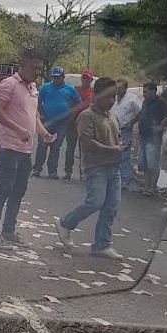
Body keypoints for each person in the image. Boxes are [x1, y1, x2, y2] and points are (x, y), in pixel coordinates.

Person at [0, 49, 55, 247]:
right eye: (34, 67)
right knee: (5, 189)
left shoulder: (33, 88)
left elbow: (33, 117)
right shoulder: (8, 84)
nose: (37, 71)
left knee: (19, 190)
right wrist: (19, 130)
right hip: (8, 146)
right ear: (22, 65)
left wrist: (44, 133)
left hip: (26, 149)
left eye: (39, 68)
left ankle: (9, 230)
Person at [55, 77, 127, 259]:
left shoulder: (112, 116)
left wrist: (120, 146)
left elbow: (116, 137)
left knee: (111, 206)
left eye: (114, 97)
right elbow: (87, 143)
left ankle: (102, 244)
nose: (111, 101)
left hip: (113, 167)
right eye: (107, 97)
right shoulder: (87, 116)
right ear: (96, 96)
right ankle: (65, 223)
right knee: (95, 201)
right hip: (96, 167)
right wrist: (112, 149)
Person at [32, 67, 80, 180]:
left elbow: (78, 104)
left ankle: (52, 171)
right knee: (42, 145)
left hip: (62, 123)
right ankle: (37, 169)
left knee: (56, 147)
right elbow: (38, 101)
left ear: (63, 77)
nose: (56, 79)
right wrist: (41, 113)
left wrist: (71, 117)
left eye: (58, 77)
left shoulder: (70, 89)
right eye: (54, 77)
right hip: (47, 121)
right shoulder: (45, 87)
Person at [137, 81, 167, 195]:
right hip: (143, 136)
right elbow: (141, 114)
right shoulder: (145, 102)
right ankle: (147, 187)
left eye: (146, 92)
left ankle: (152, 187)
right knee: (144, 163)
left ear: (153, 91)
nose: (144, 94)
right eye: (143, 91)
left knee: (152, 163)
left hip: (153, 137)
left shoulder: (160, 102)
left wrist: (161, 125)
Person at [63, 70, 95, 182]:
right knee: (70, 148)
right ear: (82, 79)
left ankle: (83, 172)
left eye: (88, 79)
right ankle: (68, 171)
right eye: (84, 78)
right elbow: (69, 103)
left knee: (85, 149)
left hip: (85, 123)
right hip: (72, 122)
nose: (86, 80)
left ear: (91, 80)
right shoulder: (75, 90)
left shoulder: (93, 92)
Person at [111, 79, 141, 189]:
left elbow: (141, 111)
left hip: (125, 131)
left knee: (124, 155)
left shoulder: (132, 99)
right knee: (113, 154)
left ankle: (125, 180)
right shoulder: (112, 98)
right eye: (116, 88)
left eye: (120, 88)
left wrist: (132, 122)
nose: (118, 90)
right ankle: (114, 179)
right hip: (112, 130)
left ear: (125, 88)